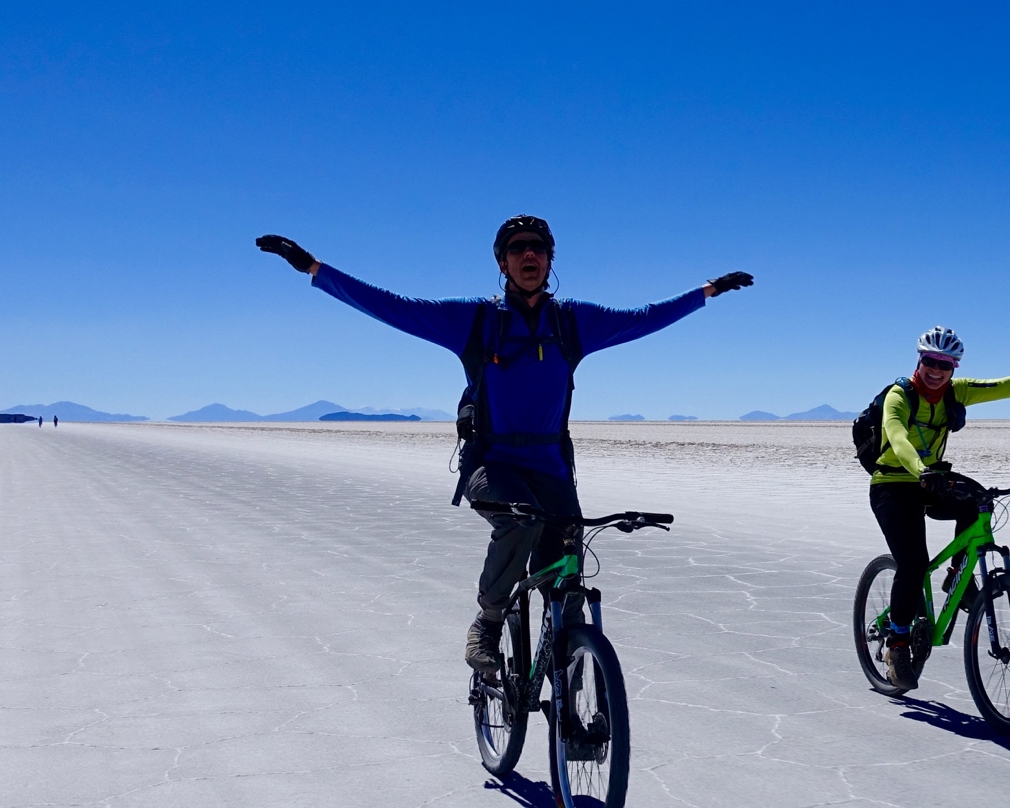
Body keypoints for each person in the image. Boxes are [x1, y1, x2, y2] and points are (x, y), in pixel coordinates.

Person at [257, 215, 754, 674]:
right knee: (521, 521)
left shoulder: (572, 322)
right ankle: (488, 622)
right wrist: (314, 268)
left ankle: (572, 692)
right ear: (502, 263)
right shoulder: (476, 321)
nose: (528, 254)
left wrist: (706, 291)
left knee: (568, 577)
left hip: (551, 469)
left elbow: (644, 317)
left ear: (550, 259)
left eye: (538, 247)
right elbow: (395, 307)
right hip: (491, 465)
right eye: (517, 248)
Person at [868, 326, 1010, 689]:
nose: (937, 369)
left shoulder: (957, 391)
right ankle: (897, 643)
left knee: (978, 501)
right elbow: (897, 438)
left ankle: (957, 576)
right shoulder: (900, 396)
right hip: (893, 483)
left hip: (933, 479)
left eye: (945, 364)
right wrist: (921, 470)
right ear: (919, 360)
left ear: (955, 367)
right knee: (913, 563)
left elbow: (1007, 386)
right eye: (931, 361)